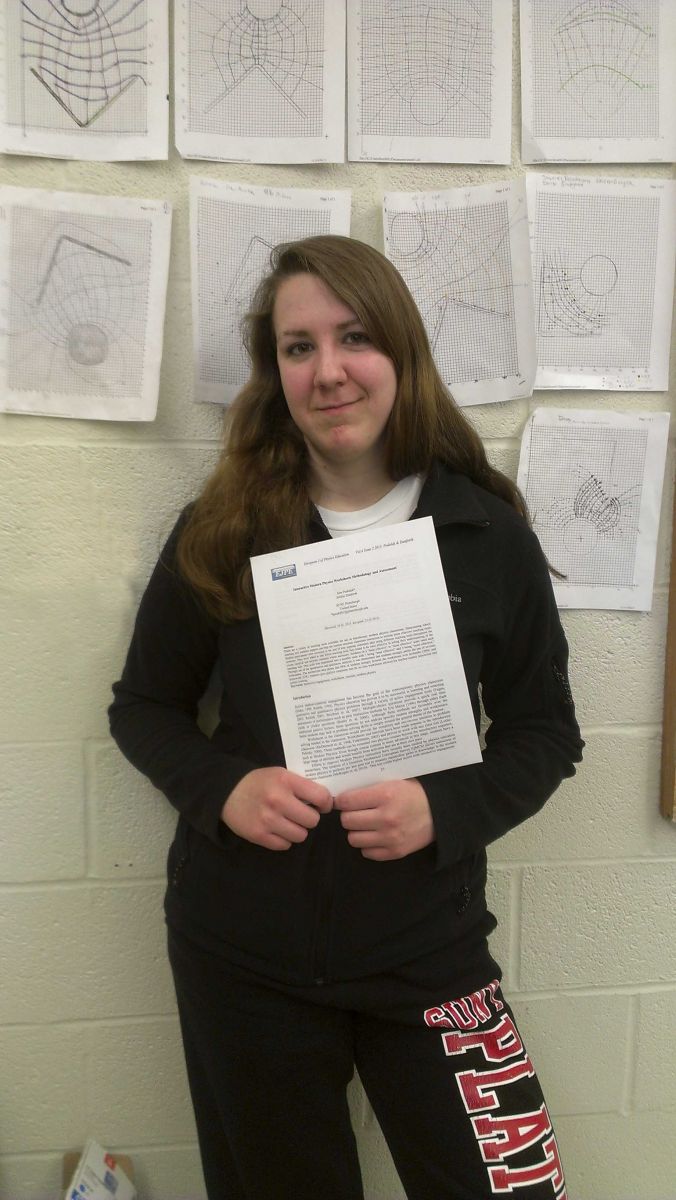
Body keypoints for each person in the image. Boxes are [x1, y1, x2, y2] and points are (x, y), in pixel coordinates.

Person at [109, 235, 583, 1200]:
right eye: (297, 347)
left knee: (514, 1187)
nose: (328, 372)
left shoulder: (489, 534)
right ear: (273, 369)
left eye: (354, 337)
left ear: (401, 352)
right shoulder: (224, 529)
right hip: (243, 958)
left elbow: (547, 733)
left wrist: (446, 812)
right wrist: (222, 787)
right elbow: (144, 707)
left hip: (429, 951)